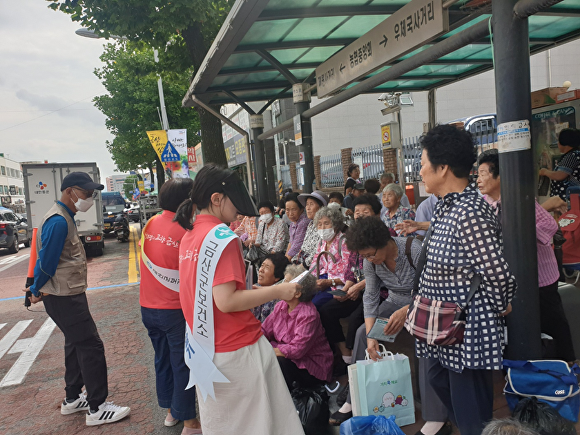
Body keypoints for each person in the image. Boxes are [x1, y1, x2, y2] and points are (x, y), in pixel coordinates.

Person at [174, 164, 304, 435]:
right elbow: (227, 301)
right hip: (237, 350)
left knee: (223, 425)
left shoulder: (189, 235)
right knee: (260, 424)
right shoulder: (223, 238)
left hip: (203, 349)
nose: (240, 211)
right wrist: (280, 290)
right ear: (216, 199)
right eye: (235, 202)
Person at [416, 125, 517, 435]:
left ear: (443, 168)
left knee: (471, 409)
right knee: (441, 383)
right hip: (441, 326)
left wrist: (499, 306)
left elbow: (498, 272)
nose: (419, 171)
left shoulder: (469, 212)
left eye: (422, 163)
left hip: (466, 329)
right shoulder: (447, 208)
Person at [25, 172, 131, 426]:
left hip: (67, 294)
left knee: (75, 344)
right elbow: (47, 262)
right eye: (86, 193)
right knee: (91, 346)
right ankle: (98, 408)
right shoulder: (59, 221)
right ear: (70, 191)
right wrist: (36, 289)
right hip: (64, 297)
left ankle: (72, 399)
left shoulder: (65, 217)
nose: (89, 198)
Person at [332, 217, 451, 435]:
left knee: (423, 339)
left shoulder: (413, 249)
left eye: (371, 254)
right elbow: (370, 297)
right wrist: (371, 336)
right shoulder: (370, 262)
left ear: (385, 241)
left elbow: (434, 288)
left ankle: (436, 417)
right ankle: (354, 399)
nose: (369, 259)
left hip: (423, 304)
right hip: (394, 303)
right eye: (365, 256)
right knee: (360, 334)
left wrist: (408, 310)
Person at [478, 149, 576, 363]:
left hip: (541, 274)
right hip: (514, 277)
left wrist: (523, 236)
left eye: (483, 173)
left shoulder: (519, 200)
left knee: (553, 319)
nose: (478, 180)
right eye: (478, 174)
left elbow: (549, 224)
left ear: (499, 176)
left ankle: (568, 362)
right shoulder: (485, 204)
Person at [139, 178, 201, 434]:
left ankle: (170, 412)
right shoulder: (184, 231)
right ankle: (189, 422)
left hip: (148, 307)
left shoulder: (151, 223)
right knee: (182, 363)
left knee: (162, 359)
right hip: (174, 310)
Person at [318, 194, 383, 366]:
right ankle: (344, 354)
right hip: (357, 288)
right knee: (326, 310)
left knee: (356, 319)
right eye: (356, 211)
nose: (360, 215)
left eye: (365, 211)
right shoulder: (355, 236)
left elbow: (380, 274)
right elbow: (351, 269)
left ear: (376, 214)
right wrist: (347, 288)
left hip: (377, 291)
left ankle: (356, 363)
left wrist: (357, 287)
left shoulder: (383, 234)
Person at [262, 265, 333, 390]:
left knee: (276, 361)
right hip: (285, 355)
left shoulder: (308, 315)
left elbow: (296, 350)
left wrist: (268, 350)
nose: (281, 285)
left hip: (310, 366)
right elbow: (264, 330)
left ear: (298, 293)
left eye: (287, 282)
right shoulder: (281, 306)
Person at [310, 207, 355, 308]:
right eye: (320, 224)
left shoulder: (344, 242)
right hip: (323, 280)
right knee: (301, 297)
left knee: (314, 305)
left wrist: (329, 282)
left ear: (335, 224)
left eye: (326, 223)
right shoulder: (322, 242)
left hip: (339, 285)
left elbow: (350, 272)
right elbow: (314, 265)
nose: (322, 228)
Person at [539, 128, 580, 201]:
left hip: (569, 199)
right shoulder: (573, 155)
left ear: (564, 142)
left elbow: (560, 175)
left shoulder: (572, 156)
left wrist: (545, 172)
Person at [292, 190, 328, 267]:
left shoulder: (324, 226)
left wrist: (302, 266)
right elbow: (303, 247)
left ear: (321, 207)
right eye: (307, 204)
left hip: (312, 266)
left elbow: (318, 252)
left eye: (311, 204)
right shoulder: (310, 224)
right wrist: (294, 261)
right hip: (302, 260)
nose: (308, 208)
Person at [251, 253, 291, 322]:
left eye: (267, 267)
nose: (261, 270)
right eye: (262, 266)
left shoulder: (278, 301)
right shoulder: (254, 287)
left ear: (277, 277)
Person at [285, 192, 311, 261]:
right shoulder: (292, 224)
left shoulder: (303, 222)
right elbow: (290, 243)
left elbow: (296, 246)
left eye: (294, 209)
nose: (290, 214)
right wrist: (284, 259)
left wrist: (285, 261)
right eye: (287, 210)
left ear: (302, 209)